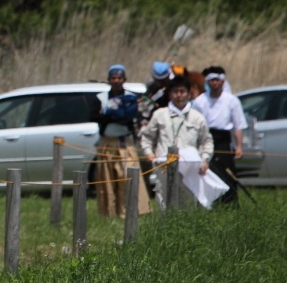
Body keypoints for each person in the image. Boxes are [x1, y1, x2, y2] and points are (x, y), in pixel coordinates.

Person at [139, 76, 213, 210]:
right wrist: (150, 155)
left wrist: (205, 159)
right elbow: (147, 137)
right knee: (163, 201)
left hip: (189, 169)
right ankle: (164, 229)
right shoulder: (159, 114)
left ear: (189, 94)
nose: (179, 95)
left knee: (188, 204)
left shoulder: (197, 117)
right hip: (163, 166)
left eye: (182, 91)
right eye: (175, 91)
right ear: (169, 94)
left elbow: (206, 141)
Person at [91, 64, 151, 217]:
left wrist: (110, 114)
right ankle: (109, 212)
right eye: (113, 78)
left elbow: (129, 117)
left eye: (119, 78)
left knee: (127, 176)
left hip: (125, 143)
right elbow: (94, 116)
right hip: (106, 142)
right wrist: (114, 115)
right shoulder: (100, 98)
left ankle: (129, 211)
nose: (116, 81)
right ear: (109, 80)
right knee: (107, 180)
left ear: (124, 79)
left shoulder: (131, 97)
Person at [192, 66, 247, 206]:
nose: (215, 83)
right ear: (207, 82)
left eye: (218, 80)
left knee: (227, 173)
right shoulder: (199, 101)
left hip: (224, 141)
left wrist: (239, 146)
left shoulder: (232, 100)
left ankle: (230, 203)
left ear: (223, 81)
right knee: (206, 173)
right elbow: (194, 124)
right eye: (212, 80)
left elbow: (238, 125)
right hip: (205, 139)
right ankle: (208, 204)